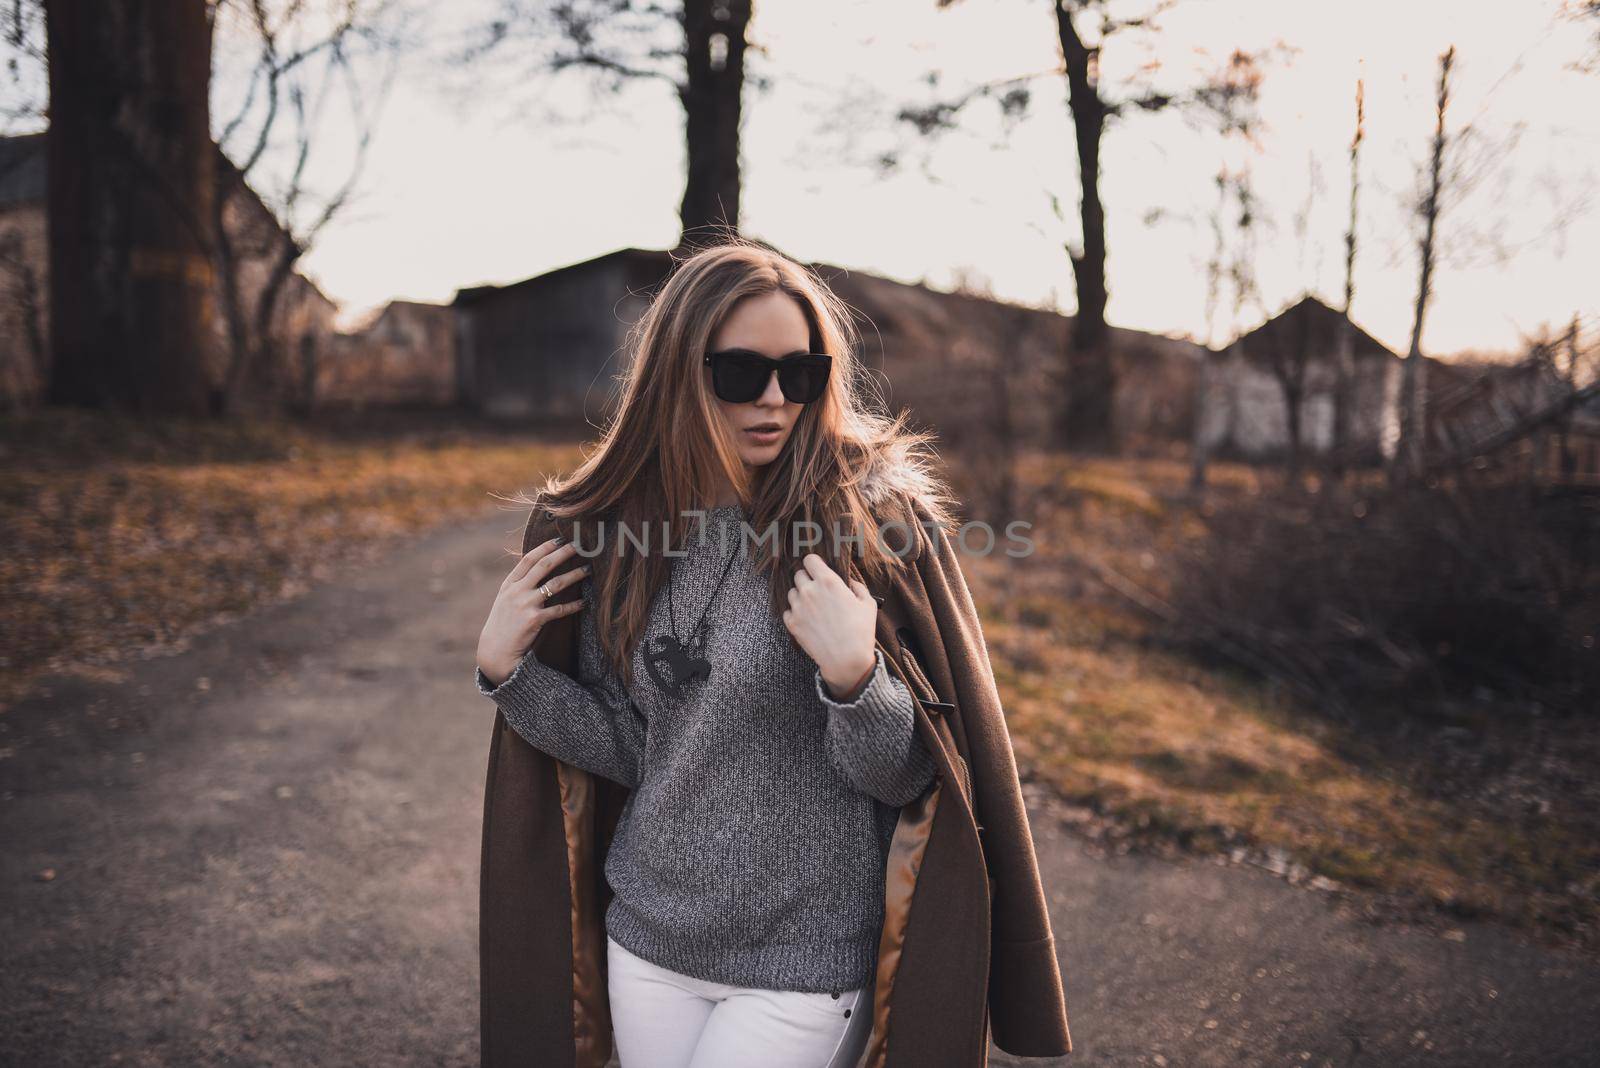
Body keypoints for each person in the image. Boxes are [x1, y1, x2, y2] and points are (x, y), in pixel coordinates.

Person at [474, 238, 1072, 1068]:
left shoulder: (867, 527)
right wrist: (512, 677)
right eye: (740, 374)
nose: (775, 401)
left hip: (803, 961)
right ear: (678, 373)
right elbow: (635, 748)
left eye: (801, 374)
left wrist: (856, 678)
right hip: (650, 940)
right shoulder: (629, 536)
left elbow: (908, 780)